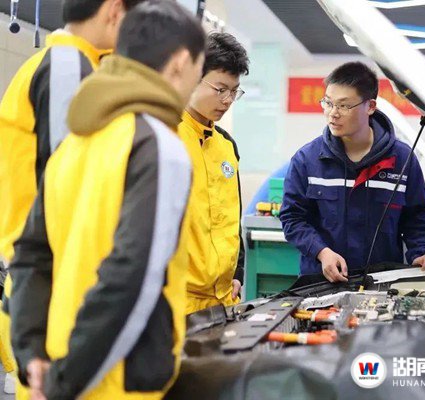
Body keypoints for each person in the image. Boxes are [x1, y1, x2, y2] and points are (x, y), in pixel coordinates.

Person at [9, 1, 205, 399]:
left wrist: (32, 356)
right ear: (181, 63)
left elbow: (31, 254)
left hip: (53, 366)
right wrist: (67, 381)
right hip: (114, 380)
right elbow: (132, 275)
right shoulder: (159, 148)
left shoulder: (76, 143)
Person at [0, 0, 145, 393]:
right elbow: (70, 194)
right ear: (114, 10)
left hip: (49, 280)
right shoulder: (68, 69)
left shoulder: (76, 66)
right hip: (53, 285)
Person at [280, 61, 425, 283]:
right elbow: (292, 218)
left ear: (370, 106)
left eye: (344, 106)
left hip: (382, 282)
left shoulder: (402, 160)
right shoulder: (307, 160)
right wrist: (322, 252)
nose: (333, 113)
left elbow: (418, 218)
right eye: (328, 103)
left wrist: (421, 253)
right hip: (321, 283)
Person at [178, 32, 249, 314]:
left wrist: (238, 272)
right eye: (220, 89)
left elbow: (233, 218)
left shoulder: (226, 145)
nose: (228, 100)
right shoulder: (165, 137)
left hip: (224, 301)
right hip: (178, 302)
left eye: (234, 91)